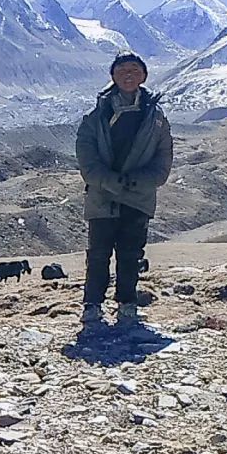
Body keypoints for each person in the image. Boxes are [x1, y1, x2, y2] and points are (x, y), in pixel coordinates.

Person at [75, 51, 174, 325]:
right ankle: (92, 304)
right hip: (102, 197)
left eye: (134, 69)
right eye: (122, 70)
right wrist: (110, 182)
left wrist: (134, 182)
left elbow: (162, 161)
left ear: (143, 75)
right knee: (98, 254)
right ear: (113, 76)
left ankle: (127, 303)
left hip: (138, 198)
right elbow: (87, 159)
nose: (128, 75)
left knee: (131, 254)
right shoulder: (95, 117)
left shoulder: (156, 119)